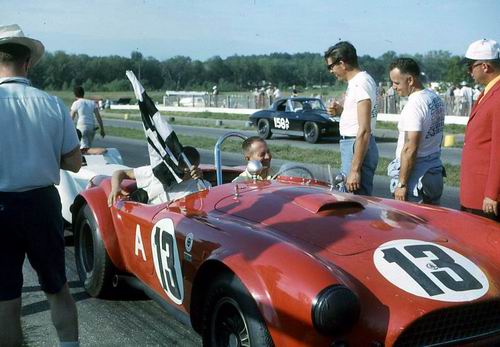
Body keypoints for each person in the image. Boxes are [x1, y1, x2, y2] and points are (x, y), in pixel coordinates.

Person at [0, 24, 81, 346]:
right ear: (28, 62)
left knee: (5, 300)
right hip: (42, 203)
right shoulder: (51, 104)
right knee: (57, 288)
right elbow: (74, 162)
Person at [387, 58, 445, 204]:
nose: (393, 87)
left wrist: (402, 184)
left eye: (396, 82)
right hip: (433, 170)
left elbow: (410, 148)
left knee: (408, 224)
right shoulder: (434, 98)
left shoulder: (414, 105)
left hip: (416, 175)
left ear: (410, 80)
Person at [324, 41, 379, 195]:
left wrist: (354, 170)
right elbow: (359, 116)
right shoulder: (360, 81)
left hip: (356, 144)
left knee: (353, 200)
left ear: (342, 63)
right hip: (357, 144)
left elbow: (364, 129)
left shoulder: (360, 84)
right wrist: (341, 110)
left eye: (331, 66)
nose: (331, 71)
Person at [460, 39, 500, 222]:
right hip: (476, 191)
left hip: (485, 196)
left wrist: (492, 193)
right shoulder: (488, 92)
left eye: (470, 66)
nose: (469, 71)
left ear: (485, 66)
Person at [108, 146, 210, 206]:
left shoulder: (202, 186)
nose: (182, 172)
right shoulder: (157, 172)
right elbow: (120, 172)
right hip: (149, 217)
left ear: (194, 169)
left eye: (186, 170)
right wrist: (115, 188)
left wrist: (200, 180)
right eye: (179, 168)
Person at [70, 85, 105, 150]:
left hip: (81, 127)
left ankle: (83, 159)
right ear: (83, 93)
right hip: (91, 127)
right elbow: (98, 117)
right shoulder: (92, 103)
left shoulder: (76, 103)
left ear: (75, 94)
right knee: (88, 147)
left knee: (83, 148)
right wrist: (102, 129)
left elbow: (71, 118)